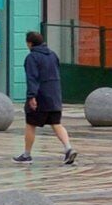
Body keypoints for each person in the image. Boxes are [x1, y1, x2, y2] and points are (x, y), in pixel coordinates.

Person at [18, 28, 74, 166]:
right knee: (56, 123)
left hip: (40, 96)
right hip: (54, 95)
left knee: (31, 124)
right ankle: (68, 148)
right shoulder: (53, 55)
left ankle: (27, 155)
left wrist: (31, 96)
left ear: (30, 44)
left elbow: (32, 78)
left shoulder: (32, 57)